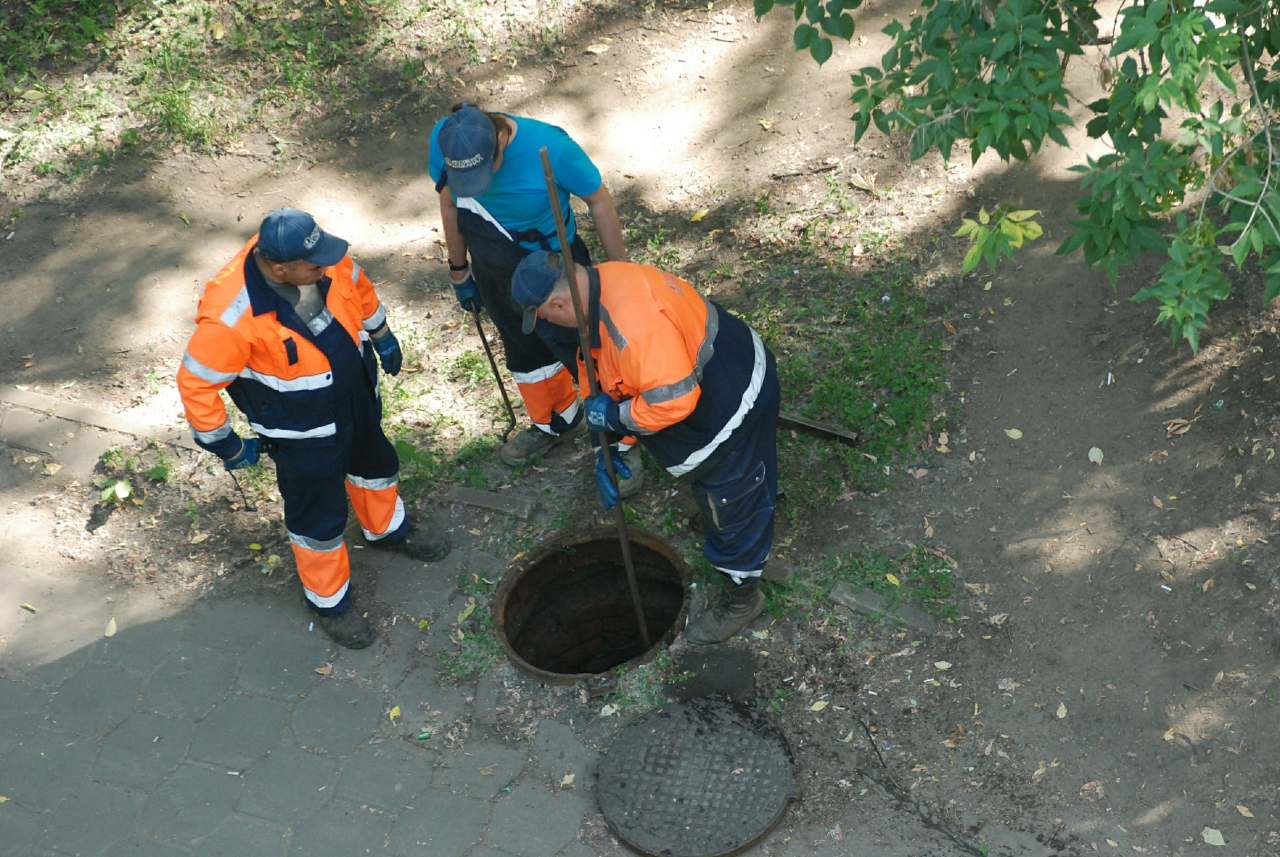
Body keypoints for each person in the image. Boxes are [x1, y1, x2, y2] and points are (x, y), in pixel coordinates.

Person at [177, 208, 449, 650]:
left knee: (376, 466)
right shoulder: (232, 316)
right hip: (301, 433)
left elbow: (358, 284)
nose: (326, 267)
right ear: (280, 269)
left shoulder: (321, 256)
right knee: (317, 518)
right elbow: (195, 383)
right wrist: (226, 445)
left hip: (356, 399)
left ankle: (386, 529)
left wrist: (380, 334)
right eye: (314, 266)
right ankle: (329, 600)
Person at [511, 251, 781, 645]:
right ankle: (739, 503)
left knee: (733, 502)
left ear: (559, 304)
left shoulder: (635, 326)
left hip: (733, 403)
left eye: (547, 318)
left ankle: (742, 599)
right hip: (720, 367)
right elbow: (601, 370)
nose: (548, 326)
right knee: (729, 489)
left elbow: (673, 401)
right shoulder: (598, 287)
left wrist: (616, 420)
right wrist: (607, 446)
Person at [428, 103, 642, 496]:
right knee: (524, 347)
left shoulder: (551, 147)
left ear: (500, 144)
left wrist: (621, 273)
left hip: (553, 266)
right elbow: (449, 204)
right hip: (494, 266)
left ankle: (621, 442)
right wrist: (459, 269)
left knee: (593, 354)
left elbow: (599, 201)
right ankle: (556, 419)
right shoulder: (449, 139)